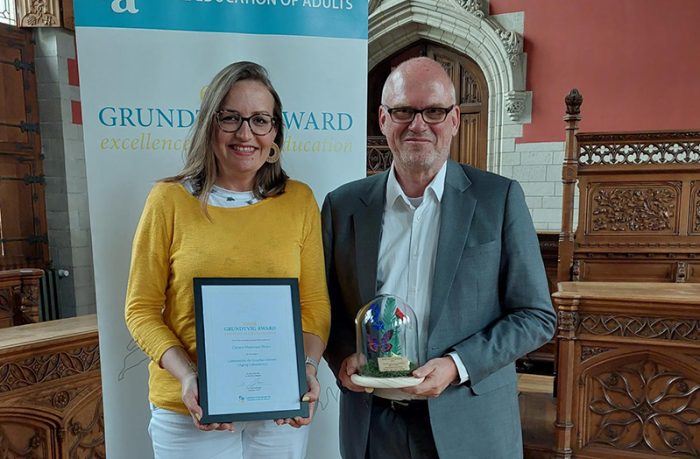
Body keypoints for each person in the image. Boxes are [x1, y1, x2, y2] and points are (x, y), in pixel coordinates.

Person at [322, 57, 556, 459]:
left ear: (454, 120)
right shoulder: (343, 206)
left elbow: (536, 316)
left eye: (433, 111)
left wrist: (455, 364)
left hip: (468, 420)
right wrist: (344, 354)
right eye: (403, 111)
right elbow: (323, 305)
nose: (418, 125)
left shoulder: (497, 199)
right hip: (373, 426)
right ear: (382, 119)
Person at [125, 61, 330, 459]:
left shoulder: (299, 201)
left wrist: (305, 368)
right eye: (231, 118)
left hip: (278, 410)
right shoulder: (168, 200)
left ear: (275, 133)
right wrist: (188, 377)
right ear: (209, 124)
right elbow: (141, 309)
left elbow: (314, 305)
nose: (245, 134)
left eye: (259, 120)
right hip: (189, 409)